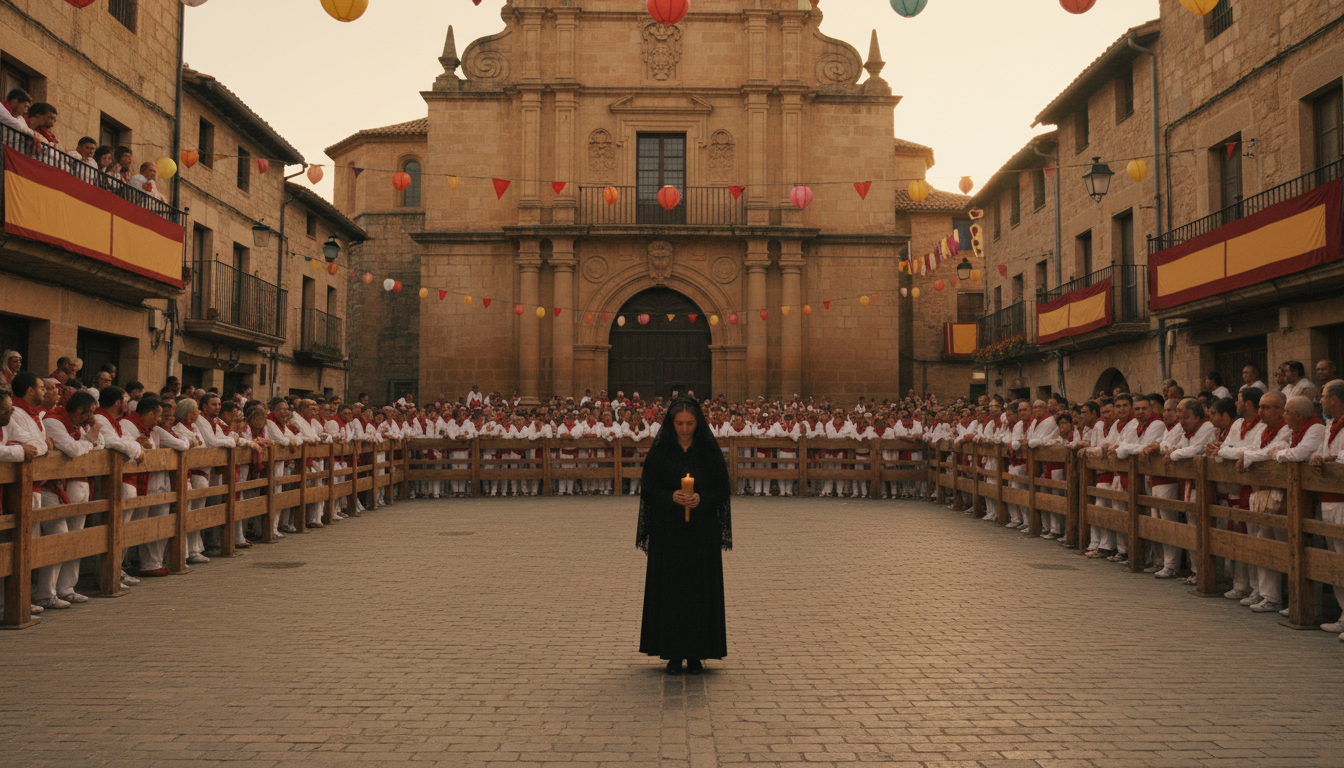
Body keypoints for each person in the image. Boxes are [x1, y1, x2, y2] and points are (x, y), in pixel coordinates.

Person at [637, 398, 732, 675]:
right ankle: (673, 653)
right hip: (669, 531)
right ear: (671, 423)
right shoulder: (662, 451)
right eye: (679, 423)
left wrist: (701, 498)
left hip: (702, 532)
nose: (685, 429)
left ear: (698, 423)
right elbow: (649, 489)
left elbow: (722, 489)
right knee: (671, 590)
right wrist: (671, 496)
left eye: (690, 423)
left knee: (699, 590)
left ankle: (697, 653)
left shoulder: (707, 450)